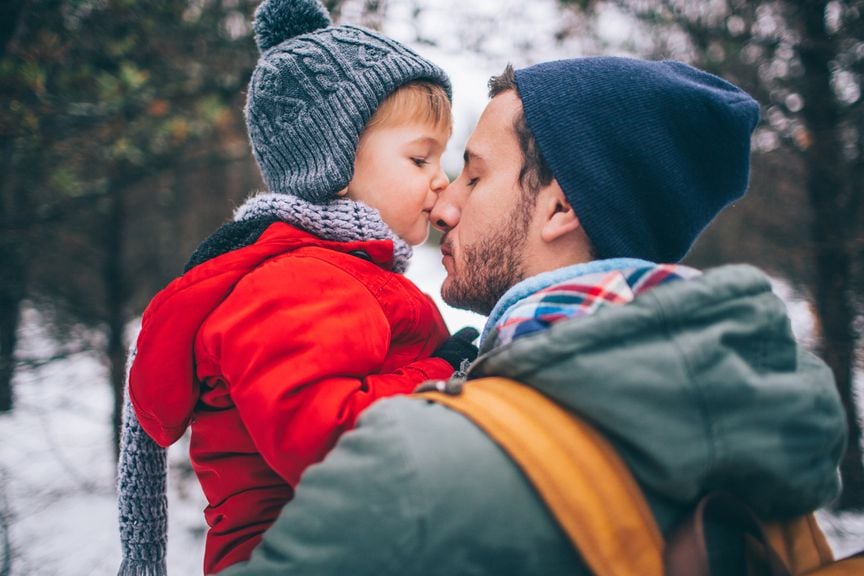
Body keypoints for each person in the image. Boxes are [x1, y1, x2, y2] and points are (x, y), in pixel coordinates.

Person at [217, 57, 848, 576]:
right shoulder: (765, 451)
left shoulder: (418, 464)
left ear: (560, 209)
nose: (444, 209)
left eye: (474, 176)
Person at [116, 0, 480, 574]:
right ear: (331, 166)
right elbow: (330, 445)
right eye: (419, 157)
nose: (443, 179)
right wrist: (444, 373)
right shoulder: (297, 282)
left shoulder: (338, 271)